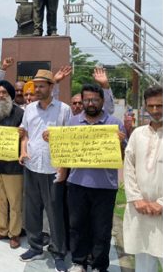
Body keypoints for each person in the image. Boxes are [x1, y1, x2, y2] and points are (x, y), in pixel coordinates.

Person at [59, 84, 127, 272]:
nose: (90, 103)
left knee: (102, 230)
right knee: (77, 225)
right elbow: (63, 150)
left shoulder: (115, 124)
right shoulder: (72, 123)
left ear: (102, 101)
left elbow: (122, 158)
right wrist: (53, 139)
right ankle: (79, 261)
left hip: (105, 186)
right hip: (76, 183)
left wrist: (120, 143)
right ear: (82, 101)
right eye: (86, 100)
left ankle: (98, 265)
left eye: (95, 100)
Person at [18, 69, 71, 272]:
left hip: (53, 169)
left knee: (54, 212)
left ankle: (58, 253)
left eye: (41, 86)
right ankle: (35, 246)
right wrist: (23, 150)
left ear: (51, 87)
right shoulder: (29, 108)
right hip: (32, 166)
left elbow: (68, 141)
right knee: (32, 210)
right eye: (35, 86)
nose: (37, 89)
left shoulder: (64, 110)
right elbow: (25, 134)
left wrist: (64, 168)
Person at [122, 86, 163, 272]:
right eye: (151, 106)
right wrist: (136, 198)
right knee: (143, 264)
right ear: (145, 107)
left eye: (161, 105)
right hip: (140, 211)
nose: (155, 110)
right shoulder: (138, 134)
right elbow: (128, 167)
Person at [0, 80, 26, 249]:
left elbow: (25, 137)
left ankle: (14, 233)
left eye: (4, 93)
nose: (1, 96)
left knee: (14, 202)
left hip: (13, 166)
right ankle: (1, 230)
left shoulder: (20, 113)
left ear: (10, 95)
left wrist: (22, 134)